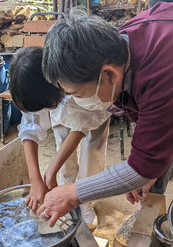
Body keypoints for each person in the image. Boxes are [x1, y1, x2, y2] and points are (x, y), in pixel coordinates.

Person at [36, 2, 173, 227]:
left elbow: (142, 165)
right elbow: (162, 120)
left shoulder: (164, 69)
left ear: (108, 74)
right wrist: (149, 170)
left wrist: (72, 194)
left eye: (78, 93)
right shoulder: (120, 48)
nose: (77, 101)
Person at [9, 47, 111, 229]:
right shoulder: (29, 83)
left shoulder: (77, 79)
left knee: (92, 151)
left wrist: (50, 171)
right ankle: (66, 191)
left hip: (93, 105)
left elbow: (81, 127)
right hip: (58, 102)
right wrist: (37, 180)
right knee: (63, 150)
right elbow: (30, 127)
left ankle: (83, 198)